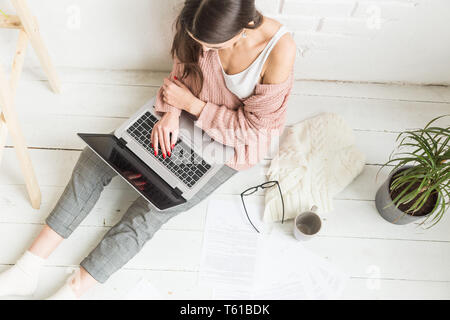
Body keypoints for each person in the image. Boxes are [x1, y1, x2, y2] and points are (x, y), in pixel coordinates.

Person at [0, 0, 296, 299]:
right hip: (182, 112)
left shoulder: (279, 50)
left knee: (156, 206)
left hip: (229, 145)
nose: (205, 53)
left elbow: (253, 130)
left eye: (214, 48)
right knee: (98, 158)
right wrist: (171, 112)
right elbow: (183, 67)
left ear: (242, 28)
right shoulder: (198, 14)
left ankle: (73, 289)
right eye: (200, 44)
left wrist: (191, 105)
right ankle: (28, 267)